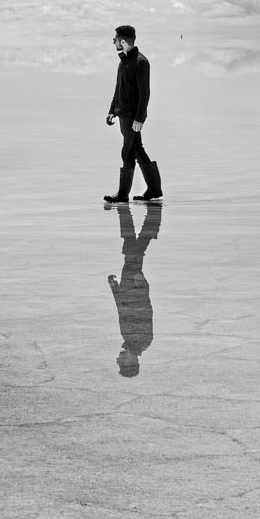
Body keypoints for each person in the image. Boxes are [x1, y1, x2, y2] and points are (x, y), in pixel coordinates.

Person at [105, 24, 163, 205]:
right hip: (122, 114)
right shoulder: (123, 60)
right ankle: (153, 189)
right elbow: (118, 87)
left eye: (114, 39)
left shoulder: (141, 62)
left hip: (132, 117)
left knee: (128, 151)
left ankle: (123, 195)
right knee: (136, 149)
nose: (113, 42)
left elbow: (145, 93)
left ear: (123, 41)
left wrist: (140, 118)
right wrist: (111, 110)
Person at [110, 201, 162, 377]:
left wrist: (115, 288)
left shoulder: (128, 340)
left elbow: (121, 310)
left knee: (132, 245)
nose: (118, 360)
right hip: (134, 282)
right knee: (134, 246)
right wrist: (140, 284)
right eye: (122, 363)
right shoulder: (143, 341)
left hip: (127, 283)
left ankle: (148, 217)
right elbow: (146, 311)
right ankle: (152, 216)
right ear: (132, 362)